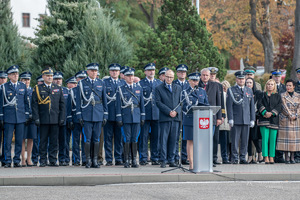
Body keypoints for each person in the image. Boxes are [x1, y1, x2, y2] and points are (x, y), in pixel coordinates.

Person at [76, 63, 108, 168]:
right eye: (92, 70)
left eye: (95, 71)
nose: (94, 72)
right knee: (87, 138)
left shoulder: (101, 83)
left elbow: (104, 100)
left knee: (96, 138)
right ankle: (88, 160)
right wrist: (79, 115)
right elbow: (78, 101)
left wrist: (105, 115)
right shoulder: (81, 83)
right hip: (86, 114)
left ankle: (95, 160)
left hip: (98, 113)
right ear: (87, 72)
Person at [32, 66, 65, 167]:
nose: (50, 77)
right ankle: (42, 160)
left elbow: (62, 105)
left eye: (51, 76)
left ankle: (53, 159)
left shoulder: (58, 88)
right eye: (48, 76)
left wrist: (62, 118)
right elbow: (34, 105)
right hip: (43, 119)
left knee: (54, 141)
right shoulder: (38, 88)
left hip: (55, 119)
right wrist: (36, 118)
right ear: (43, 76)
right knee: (43, 141)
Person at [0, 65, 29, 168]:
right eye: (13, 74)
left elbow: (26, 102)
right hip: (9, 117)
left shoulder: (22, 86)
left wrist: (26, 115)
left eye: (16, 73)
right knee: (7, 141)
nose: (16, 75)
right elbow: (1, 103)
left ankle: (17, 160)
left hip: (20, 117)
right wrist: (1, 117)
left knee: (19, 140)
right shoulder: (4, 87)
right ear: (8, 76)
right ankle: (7, 160)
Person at [116, 67, 145, 168]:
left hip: (136, 116)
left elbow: (142, 104)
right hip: (126, 116)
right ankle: (127, 160)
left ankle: (134, 160)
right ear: (124, 77)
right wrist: (119, 118)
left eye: (132, 76)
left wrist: (142, 116)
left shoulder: (138, 89)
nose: (130, 78)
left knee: (135, 138)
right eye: (128, 76)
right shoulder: (121, 89)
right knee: (127, 138)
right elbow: (118, 105)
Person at [226, 71, 255, 164]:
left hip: (246, 119)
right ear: (236, 79)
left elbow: (251, 106)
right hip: (236, 119)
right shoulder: (231, 90)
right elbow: (229, 105)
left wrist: (252, 119)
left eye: (243, 79)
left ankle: (243, 157)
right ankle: (234, 158)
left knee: (245, 140)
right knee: (234, 140)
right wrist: (230, 118)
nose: (241, 80)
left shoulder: (249, 90)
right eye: (239, 79)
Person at [182, 72, 209, 170]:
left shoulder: (202, 91)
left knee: (200, 141)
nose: (195, 82)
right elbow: (184, 106)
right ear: (189, 81)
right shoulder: (185, 91)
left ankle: (200, 161)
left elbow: (207, 104)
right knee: (190, 141)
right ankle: (191, 164)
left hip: (201, 120)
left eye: (197, 80)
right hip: (189, 119)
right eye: (193, 80)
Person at [155, 69, 182, 168]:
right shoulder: (158, 88)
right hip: (165, 118)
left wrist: (176, 111)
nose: (169, 78)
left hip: (175, 118)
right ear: (164, 77)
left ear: (173, 77)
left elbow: (180, 102)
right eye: (167, 77)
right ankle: (163, 160)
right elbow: (158, 102)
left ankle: (171, 159)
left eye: (171, 77)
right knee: (163, 139)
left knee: (173, 139)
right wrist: (169, 111)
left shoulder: (178, 88)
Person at [139, 63, 162, 166]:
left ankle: (155, 157)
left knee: (156, 137)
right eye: (149, 70)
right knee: (143, 137)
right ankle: (143, 157)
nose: (151, 72)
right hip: (145, 114)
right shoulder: (140, 83)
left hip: (157, 114)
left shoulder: (159, 83)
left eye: (153, 70)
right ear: (145, 72)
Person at [198, 68, 222, 166]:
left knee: (213, 139)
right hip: (199, 117)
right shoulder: (197, 85)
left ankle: (213, 158)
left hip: (212, 117)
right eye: (203, 75)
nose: (205, 77)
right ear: (200, 76)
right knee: (201, 140)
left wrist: (219, 117)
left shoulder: (215, 85)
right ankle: (200, 158)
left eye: (207, 75)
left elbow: (219, 102)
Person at [103, 63, 124, 166]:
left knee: (119, 138)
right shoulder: (104, 83)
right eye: (112, 71)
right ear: (110, 72)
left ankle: (119, 158)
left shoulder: (123, 83)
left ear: (119, 72)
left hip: (120, 115)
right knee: (108, 138)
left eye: (116, 71)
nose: (114, 72)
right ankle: (109, 159)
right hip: (109, 114)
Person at [256, 79, 282, 164]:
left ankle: (272, 157)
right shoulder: (262, 95)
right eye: (268, 84)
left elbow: (279, 106)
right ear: (266, 85)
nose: (270, 86)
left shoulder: (278, 96)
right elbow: (259, 104)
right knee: (265, 140)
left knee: (273, 140)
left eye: (271, 84)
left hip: (274, 120)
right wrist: (265, 112)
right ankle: (265, 157)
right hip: (263, 120)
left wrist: (272, 113)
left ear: (274, 86)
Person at [277, 79, 300, 164]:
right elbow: (283, 106)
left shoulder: (298, 96)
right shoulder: (282, 95)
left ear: (294, 86)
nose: (288, 87)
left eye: (290, 85)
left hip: (296, 120)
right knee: (286, 140)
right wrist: (290, 114)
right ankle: (286, 157)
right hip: (286, 119)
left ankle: (292, 157)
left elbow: (299, 107)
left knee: (293, 140)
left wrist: (296, 115)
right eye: (287, 85)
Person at [67, 71, 87, 166]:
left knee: (85, 140)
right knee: (75, 140)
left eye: (83, 78)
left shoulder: (88, 89)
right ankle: (76, 159)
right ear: (76, 79)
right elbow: (69, 107)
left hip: (86, 118)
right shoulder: (72, 91)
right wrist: (70, 119)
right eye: (80, 78)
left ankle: (84, 159)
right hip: (75, 118)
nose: (82, 80)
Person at [208, 67, 226, 165]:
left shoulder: (219, 86)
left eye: (214, 75)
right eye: (211, 74)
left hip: (216, 116)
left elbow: (221, 102)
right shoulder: (204, 85)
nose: (212, 76)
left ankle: (214, 157)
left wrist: (222, 116)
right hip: (206, 115)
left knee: (215, 138)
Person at [173, 64, 189, 165]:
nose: (182, 74)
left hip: (187, 115)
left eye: (184, 72)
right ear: (177, 73)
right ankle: (175, 157)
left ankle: (184, 157)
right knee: (175, 137)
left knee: (185, 137)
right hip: (176, 114)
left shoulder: (189, 84)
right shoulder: (173, 83)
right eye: (180, 72)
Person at [20, 71, 37, 167]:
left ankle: (29, 158)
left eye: (28, 79)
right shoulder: (19, 89)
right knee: (22, 138)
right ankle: (23, 159)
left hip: (32, 117)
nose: (26, 81)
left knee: (31, 138)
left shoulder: (33, 90)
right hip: (22, 117)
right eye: (24, 79)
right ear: (21, 80)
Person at [53, 71, 69, 166]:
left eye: (59, 79)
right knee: (54, 141)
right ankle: (53, 159)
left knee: (64, 141)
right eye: (56, 79)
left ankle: (63, 158)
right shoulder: (50, 90)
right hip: (53, 119)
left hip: (64, 119)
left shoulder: (66, 91)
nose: (58, 80)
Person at [245, 77, 263, 164]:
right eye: (247, 83)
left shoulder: (258, 93)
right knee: (247, 138)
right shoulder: (243, 92)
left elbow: (260, 106)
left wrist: (259, 117)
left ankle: (260, 154)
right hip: (245, 118)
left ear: (253, 84)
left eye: (250, 83)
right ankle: (250, 157)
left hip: (255, 118)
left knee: (255, 137)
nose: (248, 84)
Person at [31, 75, 44, 166]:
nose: (42, 83)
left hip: (44, 118)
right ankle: (34, 158)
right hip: (36, 118)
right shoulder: (35, 90)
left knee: (43, 140)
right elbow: (34, 105)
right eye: (40, 82)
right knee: (35, 140)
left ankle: (43, 158)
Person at [219, 80, 231, 164]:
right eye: (222, 88)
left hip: (228, 121)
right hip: (223, 121)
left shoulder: (229, 95)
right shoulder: (221, 95)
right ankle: (225, 157)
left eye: (225, 88)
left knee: (229, 141)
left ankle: (228, 156)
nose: (224, 89)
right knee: (224, 140)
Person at [0, 71, 7, 167]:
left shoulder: (8, 88)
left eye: (4, 78)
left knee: (6, 140)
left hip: (7, 118)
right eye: (1, 78)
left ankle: (5, 159)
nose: (3, 80)